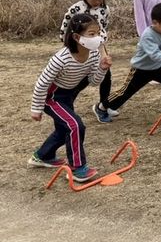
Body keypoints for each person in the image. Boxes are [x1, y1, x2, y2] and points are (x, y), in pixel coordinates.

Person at [29, 14, 111, 182]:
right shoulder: (61, 59)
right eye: (91, 34)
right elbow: (41, 83)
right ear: (76, 37)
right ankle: (77, 168)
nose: (97, 38)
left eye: (98, 33)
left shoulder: (94, 55)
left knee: (64, 129)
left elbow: (94, 81)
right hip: (51, 97)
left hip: (67, 96)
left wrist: (102, 68)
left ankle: (42, 156)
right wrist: (36, 108)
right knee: (75, 125)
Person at [93, 3, 161, 124]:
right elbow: (156, 55)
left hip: (157, 68)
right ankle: (101, 107)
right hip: (141, 70)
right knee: (125, 93)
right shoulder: (147, 35)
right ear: (155, 22)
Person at [59, 0, 119, 119]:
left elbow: (103, 29)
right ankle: (66, 107)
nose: (98, 2)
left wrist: (103, 50)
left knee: (106, 76)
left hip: (98, 48)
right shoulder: (75, 9)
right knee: (81, 80)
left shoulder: (105, 9)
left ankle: (104, 105)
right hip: (80, 50)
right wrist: (72, 50)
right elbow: (64, 30)